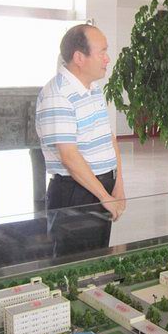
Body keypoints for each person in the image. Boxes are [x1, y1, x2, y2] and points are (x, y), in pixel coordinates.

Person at [36, 24, 125, 254]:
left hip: (99, 188)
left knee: (97, 258)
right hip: (75, 193)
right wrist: (105, 197)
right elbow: (69, 157)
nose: (107, 59)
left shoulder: (93, 88)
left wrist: (118, 185)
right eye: (102, 52)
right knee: (74, 263)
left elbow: (109, 138)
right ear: (79, 57)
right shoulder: (57, 95)